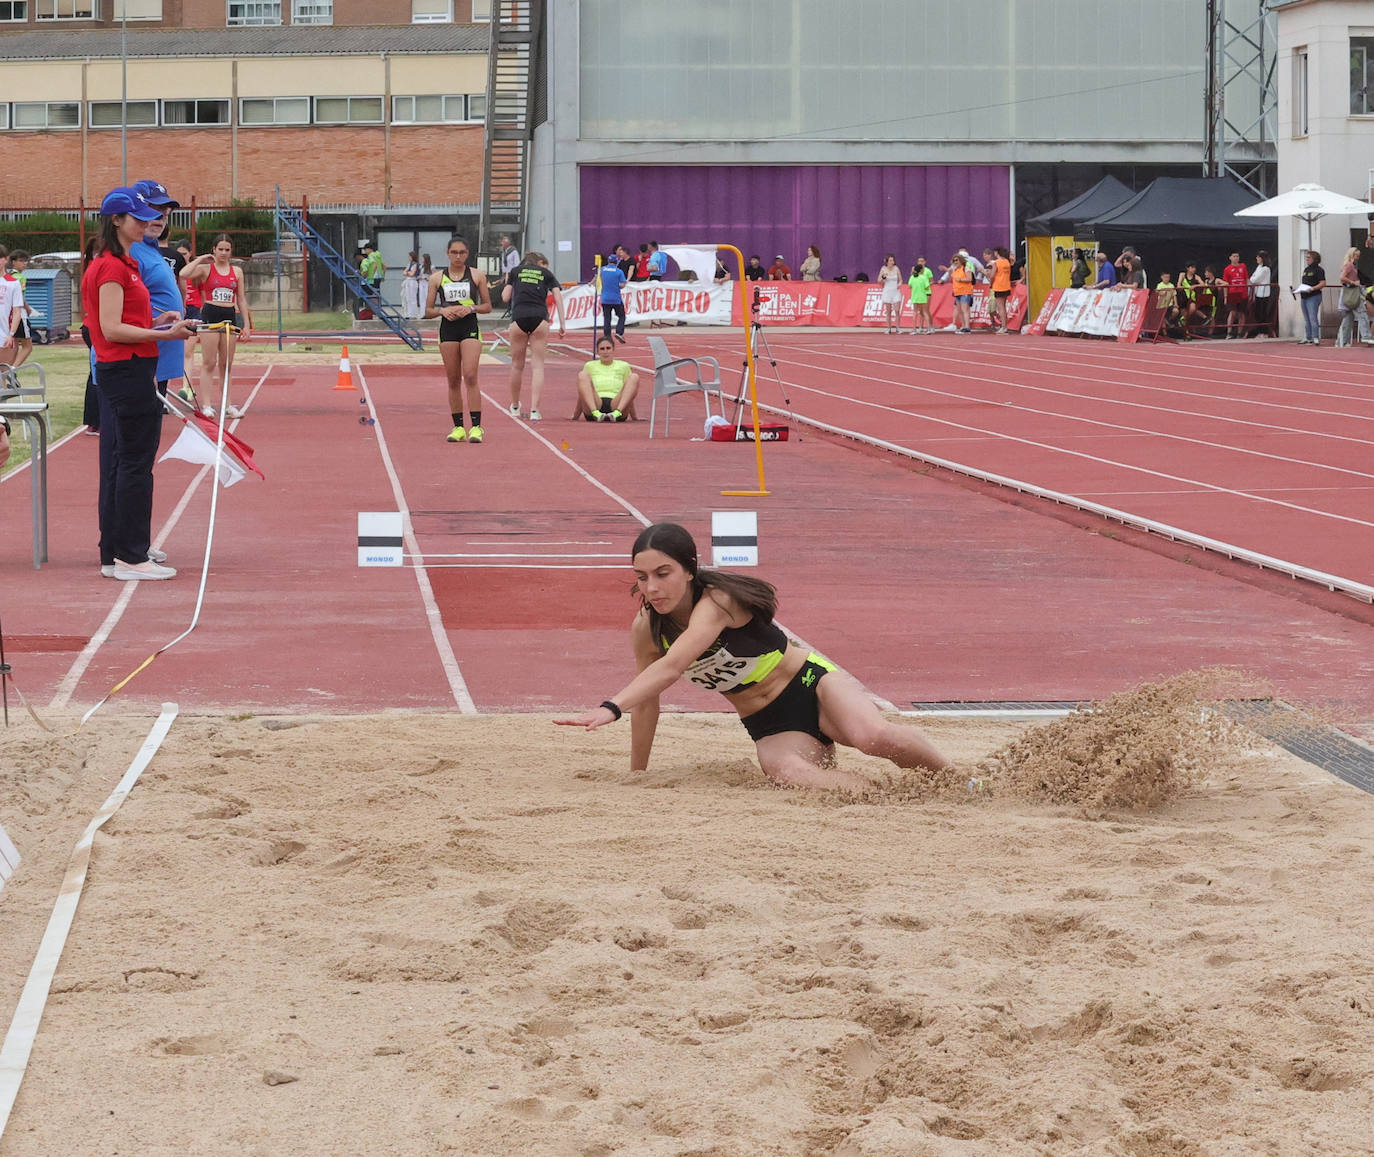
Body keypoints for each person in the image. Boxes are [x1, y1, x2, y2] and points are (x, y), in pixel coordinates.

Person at [554, 522, 948, 791]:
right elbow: (647, 701)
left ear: (689, 570)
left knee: (873, 737)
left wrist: (610, 707)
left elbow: (672, 667)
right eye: (642, 577)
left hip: (811, 686)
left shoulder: (718, 602)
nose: (653, 588)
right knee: (788, 773)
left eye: (663, 573)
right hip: (769, 722)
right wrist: (637, 773)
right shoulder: (648, 628)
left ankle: (959, 780)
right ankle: (888, 798)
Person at [82, 187, 197, 581]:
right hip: (126, 370)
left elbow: (119, 323)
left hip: (133, 367)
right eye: (139, 216)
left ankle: (123, 550)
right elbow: (110, 329)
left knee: (133, 462)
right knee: (133, 463)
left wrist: (156, 323)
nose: (148, 220)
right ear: (117, 221)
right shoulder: (112, 266)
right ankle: (130, 555)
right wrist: (165, 336)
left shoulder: (124, 263)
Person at [424, 235, 492, 443]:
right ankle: (458, 427)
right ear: (447, 253)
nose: (458, 256)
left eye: (462, 253)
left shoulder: (477, 275)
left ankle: (477, 427)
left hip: (469, 326)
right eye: (454, 252)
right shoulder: (436, 278)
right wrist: (443, 312)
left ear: (467, 254)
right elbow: (428, 311)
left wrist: (469, 308)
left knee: (470, 375)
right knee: (453, 380)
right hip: (448, 329)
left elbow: (487, 306)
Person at [131, 180, 188, 402]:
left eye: (165, 211)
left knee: (150, 428)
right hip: (145, 356)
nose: (162, 216)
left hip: (159, 354)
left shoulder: (152, 249)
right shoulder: (133, 249)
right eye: (154, 209)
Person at [186, 234, 251, 418]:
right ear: (214, 249)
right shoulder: (206, 269)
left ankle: (227, 405)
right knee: (209, 362)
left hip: (229, 315)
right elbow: (183, 274)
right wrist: (199, 259)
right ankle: (206, 405)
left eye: (227, 249)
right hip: (211, 313)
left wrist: (246, 325)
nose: (223, 253)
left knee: (226, 364)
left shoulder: (237, 272)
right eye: (220, 249)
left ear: (231, 251)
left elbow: (241, 298)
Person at [503, 251, 565, 422]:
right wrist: (562, 324)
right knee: (537, 366)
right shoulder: (546, 274)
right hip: (539, 318)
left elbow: (505, 296)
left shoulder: (515, 271)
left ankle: (515, 406)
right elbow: (558, 298)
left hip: (519, 318)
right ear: (539, 262)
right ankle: (535, 410)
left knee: (517, 365)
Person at [573, 336, 641, 422]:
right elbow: (583, 391)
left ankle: (616, 413)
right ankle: (596, 413)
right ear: (597, 352)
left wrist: (634, 416)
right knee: (582, 375)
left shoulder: (624, 366)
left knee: (634, 377)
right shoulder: (589, 365)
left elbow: (629, 392)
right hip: (596, 402)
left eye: (608, 348)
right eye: (602, 349)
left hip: (616, 403)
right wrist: (576, 415)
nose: (605, 352)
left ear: (613, 350)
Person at [3, 249, 34, 369]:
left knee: (14, 345)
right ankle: (12, 370)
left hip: (9, 316)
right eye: (21, 261)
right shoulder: (20, 277)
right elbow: (19, 297)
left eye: (26, 261)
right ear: (13, 262)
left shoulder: (7, 277)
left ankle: (7, 372)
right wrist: (28, 308)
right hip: (19, 315)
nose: (24, 263)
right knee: (28, 347)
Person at [1336, 247, 1372, 347]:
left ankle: (1341, 341)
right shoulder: (1349, 266)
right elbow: (1342, 277)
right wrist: (1354, 282)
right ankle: (1366, 336)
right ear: (1352, 255)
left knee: (1348, 317)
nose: (1358, 258)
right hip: (1352, 292)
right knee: (1362, 313)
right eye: (1357, 256)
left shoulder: (1349, 265)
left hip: (1348, 292)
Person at [597, 254, 628, 345]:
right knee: (621, 316)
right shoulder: (619, 271)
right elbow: (622, 284)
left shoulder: (602, 270)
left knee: (607, 318)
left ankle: (607, 337)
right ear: (616, 262)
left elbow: (598, 280)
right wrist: (616, 285)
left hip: (605, 298)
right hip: (616, 298)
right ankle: (619, 332)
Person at [1296, 250, 1325, 345]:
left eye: (1309, 257)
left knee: (1313, 317)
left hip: (1313, 296)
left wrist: (1313, 288)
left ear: (1315, 259)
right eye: (1306, 257)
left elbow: (1323, 283)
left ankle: (1315, 337)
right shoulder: (1306, 269)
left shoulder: (1319, 270)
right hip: (1304, 296)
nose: (1307, 259)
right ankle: (1308, 337)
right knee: (1306, 318)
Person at [1221, 251, 1250, 338]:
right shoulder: (1227, 269)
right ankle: (1229, 333)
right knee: (1232, 312)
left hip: (1243, 293)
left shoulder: (1243, 266)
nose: (1236, 258)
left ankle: (1239, 333)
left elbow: (1247, 279)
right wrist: (1226, 297)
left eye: (1237, 256)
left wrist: (1249, 292)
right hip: (1232, 293)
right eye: (1234, 256)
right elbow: (1225, 283)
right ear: (1230, 258)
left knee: (1241, 313)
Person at [1248, 250, 1273, 337]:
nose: (1257, 259)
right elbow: (1252, 277)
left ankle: (1264, 332)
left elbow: (1255, 279)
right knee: (1258, 313)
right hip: (1258, 293)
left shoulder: (1266, 269)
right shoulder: (1259, 267)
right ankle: (1260, 331)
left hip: (1264, 293)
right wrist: (1253, 279)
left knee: (1263, 313)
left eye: (1258, 257)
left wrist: (1253, 279)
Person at [989, 245, 1013, 332]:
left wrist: (990, 284)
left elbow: (992, 275)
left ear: (997, 253)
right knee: (1003, 307)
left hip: (999, 286)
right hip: (1006, 285)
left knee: (1001, 308)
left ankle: (1003, 327)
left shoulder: (996, 262)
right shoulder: (1007, 262)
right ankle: (1004, 326)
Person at [876, 253, 903, 334]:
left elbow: (901, 279)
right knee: (888, 311)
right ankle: (888, 328)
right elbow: (879, 281)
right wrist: (883, 277)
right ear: (887, 261)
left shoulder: (896, 268)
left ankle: (898, 328)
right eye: (890, 260)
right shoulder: (883, 269)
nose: (892, 262)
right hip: (887, 291)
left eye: (893, 260)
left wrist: (899, 284)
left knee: (897, 310)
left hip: (895, 291)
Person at [949, 253, 975, 333]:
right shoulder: (955, 270)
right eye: (954, 261)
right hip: (957, 292)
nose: (955, 262)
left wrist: (960, 280)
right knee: (959, 310)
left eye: (957, 260)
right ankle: (963, 326)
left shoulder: (966, 268)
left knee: (965, 309)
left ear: (961, 260)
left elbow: (969, 278)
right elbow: (952, 280)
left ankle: (967, 327)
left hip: (965, 291)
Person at [907, 258, 933, 334]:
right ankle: (928, 328)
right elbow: (927, 287)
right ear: (921, 270)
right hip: (923, 296)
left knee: (915, 312)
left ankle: (914, 329)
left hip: (915, 296)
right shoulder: (923, 278)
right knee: (925, 311)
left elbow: (909, 286)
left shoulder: (912, 277)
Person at [497, 233, 521, 317]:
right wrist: (503, 276)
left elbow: (517, 264)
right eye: (502, 241)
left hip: (512, 274)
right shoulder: (504, 252)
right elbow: (504, 265)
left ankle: (513, 309)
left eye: (504, 241)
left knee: (512, 292)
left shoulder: (513, 252)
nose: (502, 243)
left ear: (509, 242)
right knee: (507, 292)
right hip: (506, 274)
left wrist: (513, 274)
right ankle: (509, 309)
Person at [401, 251, 423, 319]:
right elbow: (404, 272)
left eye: (410, 256)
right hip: (408, 280)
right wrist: (408, 272)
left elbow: (412, 274)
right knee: (407, 297)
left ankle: (413, 314)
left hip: (413, 281)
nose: (409, 258)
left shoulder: (416, 264)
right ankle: (408, 313)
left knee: (412, 298)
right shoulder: (409, 264)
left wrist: (408, 273)